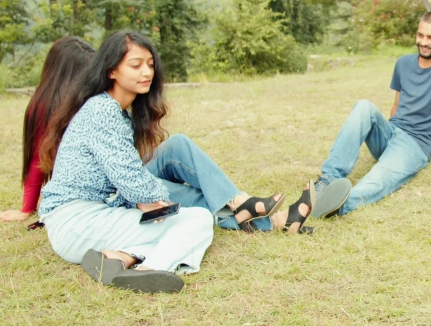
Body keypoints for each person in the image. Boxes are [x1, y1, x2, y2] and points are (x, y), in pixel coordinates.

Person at [38, 31, 314, 293]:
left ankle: (121, 257)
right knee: (195, 218)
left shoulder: (117, 112)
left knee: (185, 206)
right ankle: (149, 268)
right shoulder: (102, 110)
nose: (146, 72)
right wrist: (159, 201)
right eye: (135, 65)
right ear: (111, 70)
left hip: (96, 215)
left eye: (149, 64)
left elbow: (132, 183)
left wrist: (156, 201)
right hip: (78, 222)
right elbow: (130, 178)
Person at [311, 11, 431, 219]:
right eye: (420, 35)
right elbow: (397, 105)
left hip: (415, 145)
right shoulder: (403, 63)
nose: (424, 42)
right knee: (364, 106)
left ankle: (339, 205)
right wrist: (389, 139)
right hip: (392, 132)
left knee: (379, 178)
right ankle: (328, 179)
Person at [0, 37, 96, 224]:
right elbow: (39, 158)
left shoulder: (45, 105)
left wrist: (26, 209)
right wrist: (27, 209)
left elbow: (37, 158)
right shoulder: (55, 106)